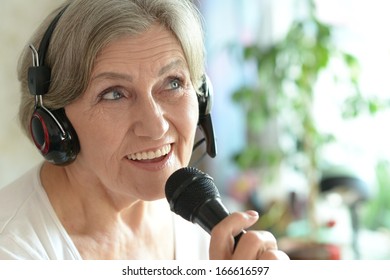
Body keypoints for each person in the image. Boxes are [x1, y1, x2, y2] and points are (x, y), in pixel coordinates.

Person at [0, 0, 289, 260]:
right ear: (54, 124)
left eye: (173, 83)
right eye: (114, 94)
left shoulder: (204, 219)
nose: (156, 127)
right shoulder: (13, 250)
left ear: (202, 97)